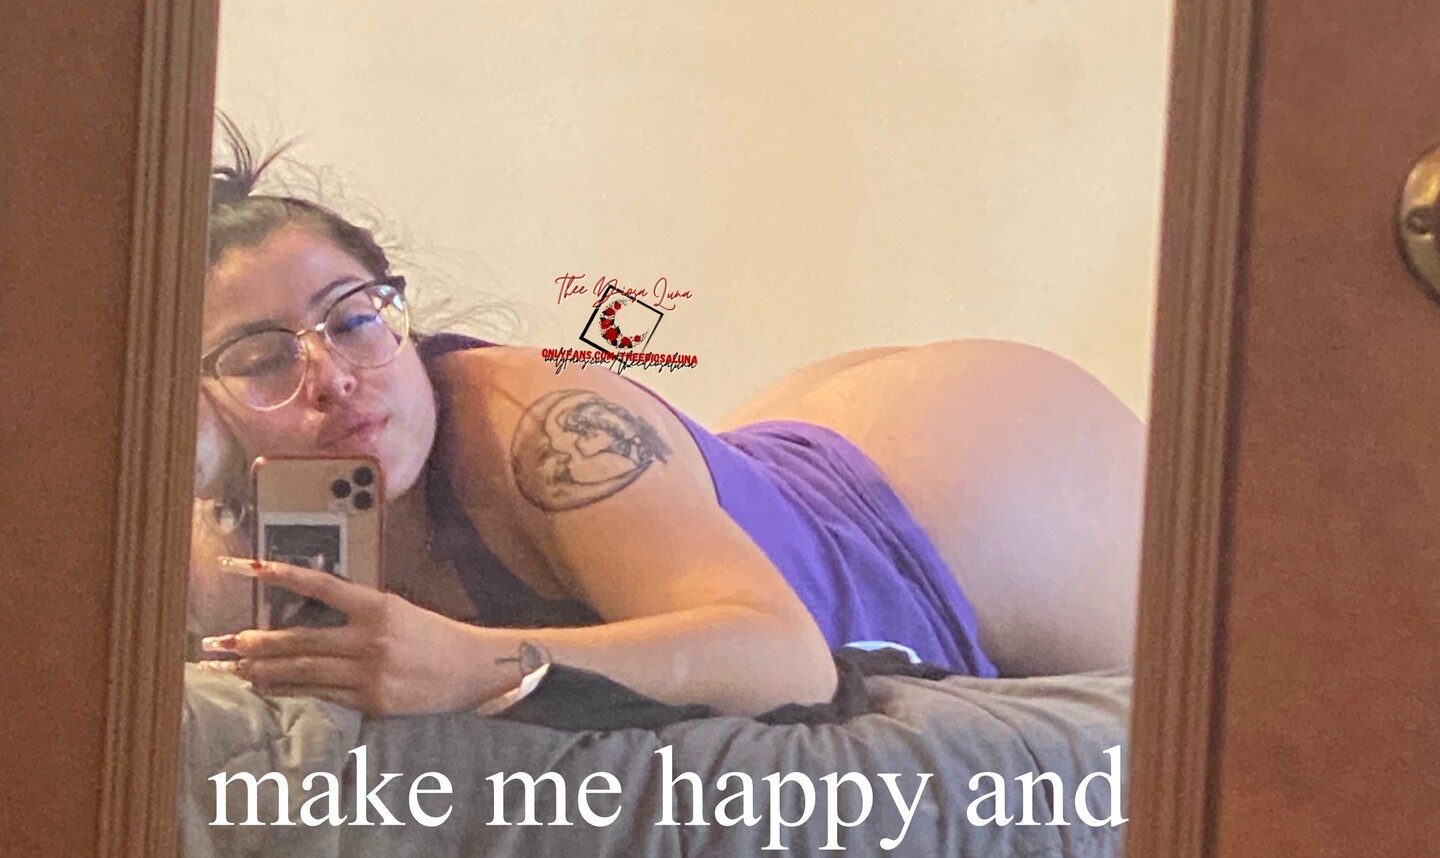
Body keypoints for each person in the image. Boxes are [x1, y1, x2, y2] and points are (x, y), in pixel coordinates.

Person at [193, 126, 1146, 719]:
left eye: (354, 318)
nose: (333, 379)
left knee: (1220, 722)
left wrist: (474, 663)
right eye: (261, 357)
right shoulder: (218, 540)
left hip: (969, 491)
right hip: (757, 477)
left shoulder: (544, 431)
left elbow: (787, 660)